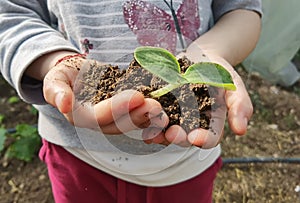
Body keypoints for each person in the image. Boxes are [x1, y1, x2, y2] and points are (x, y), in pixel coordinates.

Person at [0, 0, 261, 202]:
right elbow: (11, 13)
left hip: (185, 159)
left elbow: (240, 9)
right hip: (77, 154)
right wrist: (53, 60)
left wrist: (209, 53)